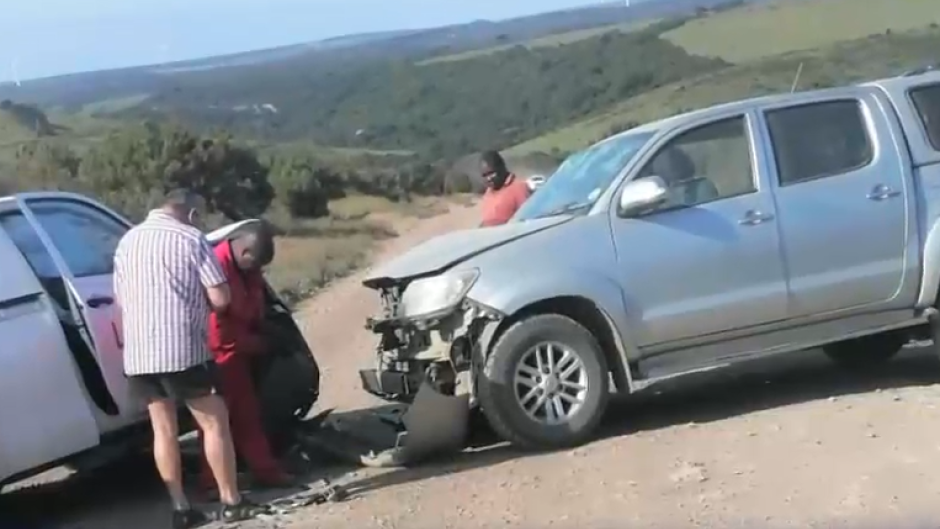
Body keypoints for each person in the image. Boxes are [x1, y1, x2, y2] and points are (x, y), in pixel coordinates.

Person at [113, 189, 267, 529]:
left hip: (139, 354)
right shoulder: (192, 238)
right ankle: (231, 501)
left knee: (163, 431)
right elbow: (221, 298)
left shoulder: (127, 241)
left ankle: (181, 508)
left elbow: (121, 298)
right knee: (215, 421)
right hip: (181, 349)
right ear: (192, 214)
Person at [196, 223, 295, 496]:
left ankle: (263, 470)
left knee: (246, 414)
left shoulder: (245, 267)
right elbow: (219, 333)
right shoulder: (215, 268)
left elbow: (251, 305)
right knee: (217, 421)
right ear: (246, 251)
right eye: (256, 264)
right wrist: (261, 344)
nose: (258, 271)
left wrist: (267, 329)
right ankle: (213, 482)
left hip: (238, 350)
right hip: (220, 356)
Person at [478, 150, 531, 227]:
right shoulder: (489, 191)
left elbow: (527, 219)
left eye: (491, 173)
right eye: (485, 175)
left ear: (501, 167)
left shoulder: (518, 188)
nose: (488, 178)